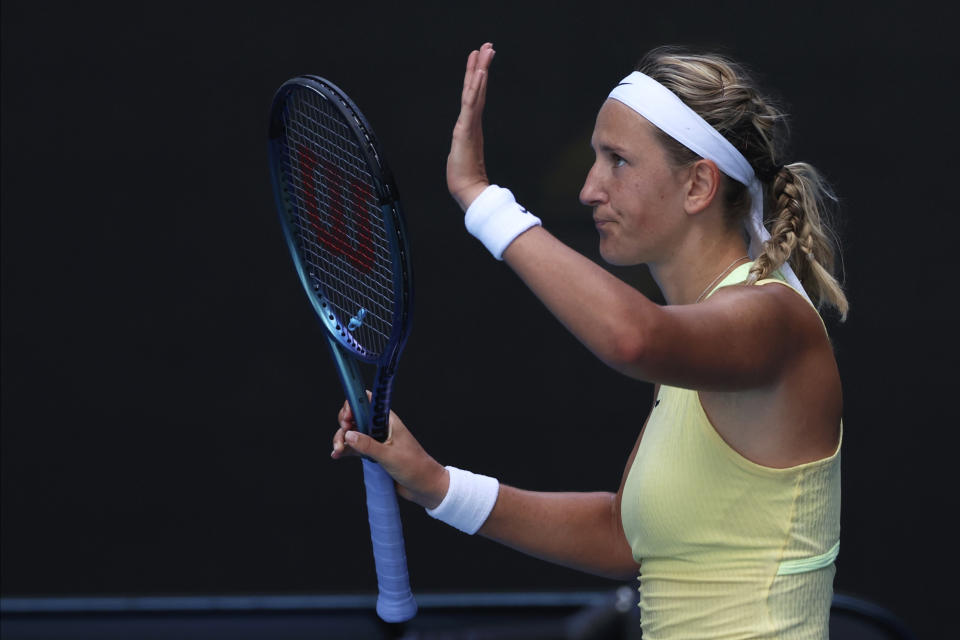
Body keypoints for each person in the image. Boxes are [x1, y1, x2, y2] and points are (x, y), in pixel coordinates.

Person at [332, 42, 847, 638]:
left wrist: (482, 200)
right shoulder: (697, 342)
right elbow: (622, 537)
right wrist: (438, 484)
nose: (589, 188)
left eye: (617, 161)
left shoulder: (771, 320)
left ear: (698, 185)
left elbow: (632, 337)